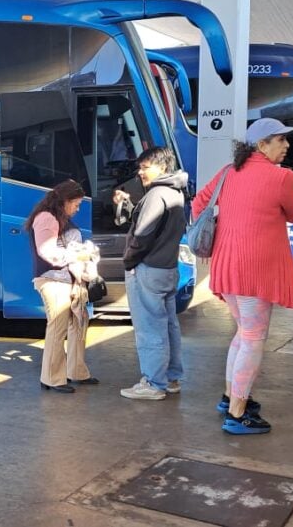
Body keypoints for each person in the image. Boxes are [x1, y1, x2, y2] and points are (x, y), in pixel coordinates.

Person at [192, 118, 293, 435]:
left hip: (226, 265)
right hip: (255, 270)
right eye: (280, 140)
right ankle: (238, 414)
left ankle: (231, 397)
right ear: (261, 145)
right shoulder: (283, 177)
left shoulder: (228, 172)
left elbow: (199, 202)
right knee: (253, 338)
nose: (287, 145)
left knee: (244, 334)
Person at [113, 147, 188, 401]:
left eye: (146, 167)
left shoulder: (156, 195)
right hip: (167, 269)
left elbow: (143, 234)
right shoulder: (176, 192)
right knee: (168, 325)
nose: (140, 171)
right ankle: (171, 378)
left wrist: (129, 260)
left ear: (162, 167)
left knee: (149, 328)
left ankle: (154, 383)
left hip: (148, 270)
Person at [24, 179, 96, 393]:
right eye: (76, 203)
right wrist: (79, 254)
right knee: (59, 327)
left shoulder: (54, 216)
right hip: (53, 280)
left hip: (65, 280)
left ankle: (76, 372)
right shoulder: (47, 218)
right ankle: (53, 378)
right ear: (65, 200)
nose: (78, 208)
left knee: (77, 324)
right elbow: (46, 251)